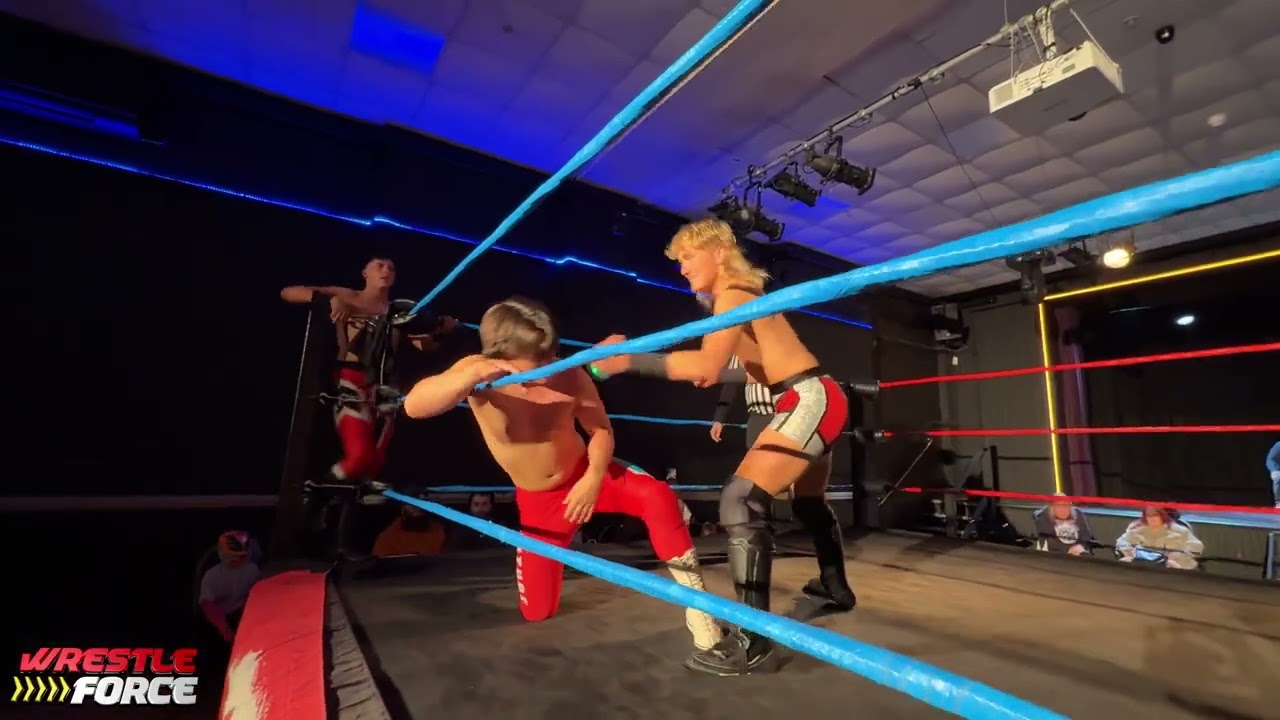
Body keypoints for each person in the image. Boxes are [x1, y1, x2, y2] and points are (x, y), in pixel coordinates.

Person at [590, 218, 854, 676]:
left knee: (740, 500)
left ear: (717, 252)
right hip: (815, 395)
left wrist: (626, 360)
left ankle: (753, 642)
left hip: (807, 397)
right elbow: (735, 369)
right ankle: (835, 587)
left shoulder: (732, 292)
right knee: (808, 503)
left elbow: (707, 367)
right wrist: (639, 362)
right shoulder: (743, 298)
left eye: (687, 257)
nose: (681, 269)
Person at [401, 296, 723, 656]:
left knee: (658, 495)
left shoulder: (569, 374)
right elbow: (414, 406)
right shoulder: (476, 372)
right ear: (502, 354)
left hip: (587, 474)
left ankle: (699, 608)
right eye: (536, 359)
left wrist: (593, 478)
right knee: (537, 612)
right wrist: (470, 377)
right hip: (539, 502)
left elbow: (600, 429)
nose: (547, 366)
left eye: (549, 355)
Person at [280, 257, 458, 494]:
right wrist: (329, 300)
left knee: (374, 463)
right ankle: (317, 493)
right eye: (379, 266)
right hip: (352, 381)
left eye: (391, 268)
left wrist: (440, 332)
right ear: (365, 272)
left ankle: (344, 504)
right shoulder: (349, 297)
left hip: (385, 388)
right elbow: (287, 292)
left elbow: (424, 346)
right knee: (359, 457)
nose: (386, 270)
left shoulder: (399, 310)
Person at [199, 531, 260, 644]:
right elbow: (207, 604)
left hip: (244, 616)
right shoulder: (212, 576)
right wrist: (223, 627)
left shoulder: (253, 570)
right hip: (219, 621)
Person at [709, 354, 777, 448]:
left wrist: (715, 376)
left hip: (779, 413)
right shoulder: (737, 352)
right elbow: (730, 385)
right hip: (756, 416)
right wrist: (719, 419)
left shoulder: (771, 347)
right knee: (754, 454)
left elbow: (763, 374)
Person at [1115, 506, 1204, 570]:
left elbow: (1196, 549)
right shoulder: (1136, 527)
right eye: (1149, 515)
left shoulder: (1180, 530)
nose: (1152, 518)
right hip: (1139, 565)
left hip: (1167, 568)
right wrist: (1128, 551)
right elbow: (1121, 542)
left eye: (1156, 515)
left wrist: (1177, 557)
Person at [1266, 440, 1280, 508]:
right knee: (1278, 476)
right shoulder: (1278, 445)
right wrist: (1274, 470)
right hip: (1277, 468)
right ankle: (1278, 502)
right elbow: (1270, 459)